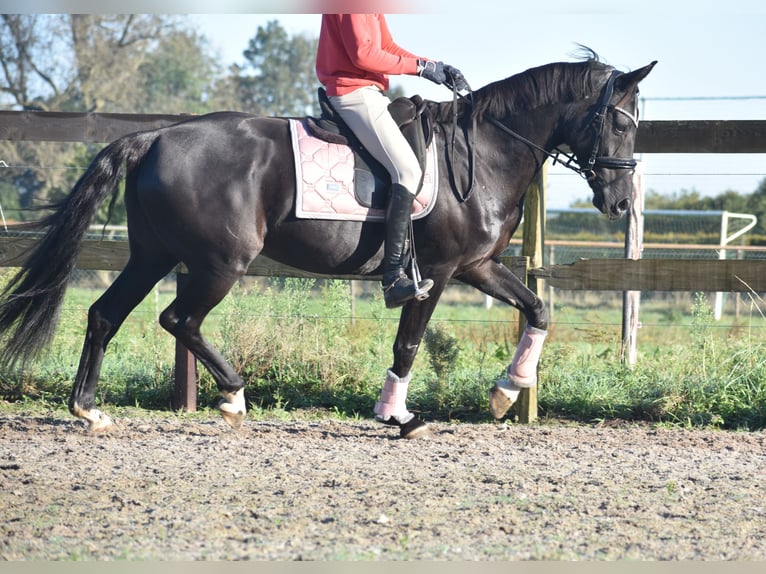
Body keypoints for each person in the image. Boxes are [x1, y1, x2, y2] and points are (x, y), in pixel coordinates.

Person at [316, 13, 468, 309]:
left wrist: (433, 66)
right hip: (353, 94)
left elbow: (388, 46)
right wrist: (421, 69)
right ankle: (393, 278)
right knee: (408, 171)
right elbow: (364, 55)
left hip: (370, 94)